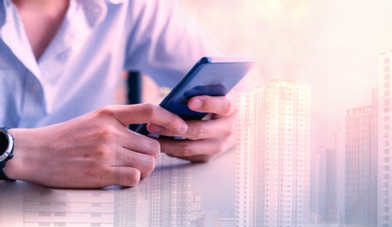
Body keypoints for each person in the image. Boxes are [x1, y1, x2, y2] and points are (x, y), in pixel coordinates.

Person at [0, 0, 236, 188]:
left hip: (76, 222)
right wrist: (20, 151)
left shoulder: (133, 6)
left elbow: (242, 95)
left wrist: (223, 127)